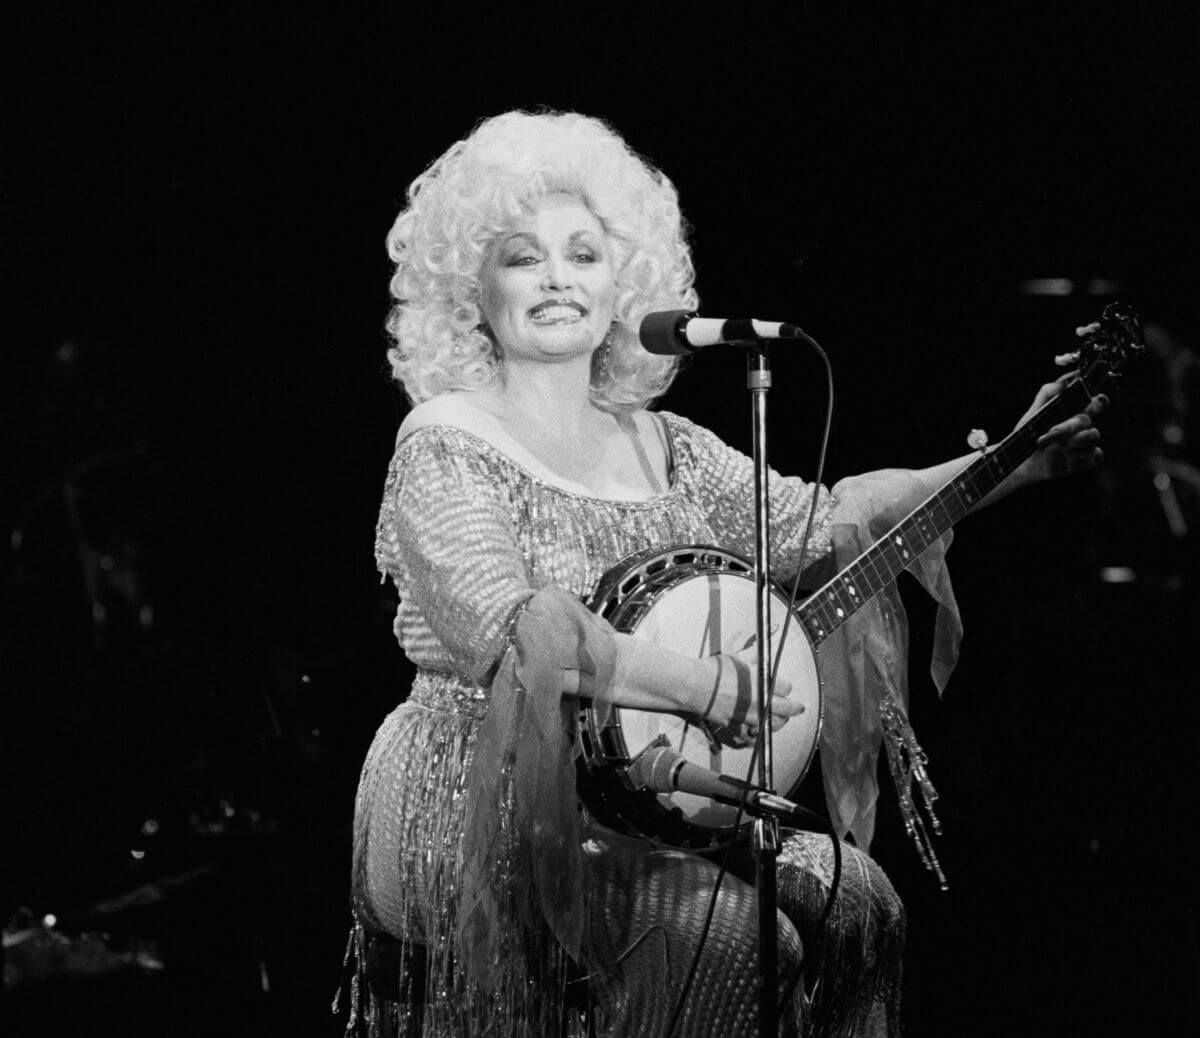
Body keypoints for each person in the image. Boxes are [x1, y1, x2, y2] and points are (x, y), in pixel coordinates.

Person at [342, 110, 1105, 1037]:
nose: (555, 278)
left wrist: (1014, 462)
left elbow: (826, 519)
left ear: (623, 283)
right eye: (520, 256)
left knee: (859, 901)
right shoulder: (446, 439)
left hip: (643, 796)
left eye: (582, 254)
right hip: (485, 801)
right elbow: (515, 630)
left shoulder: (661, 442)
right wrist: (708, 686)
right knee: (739, 939)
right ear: (473, 286)